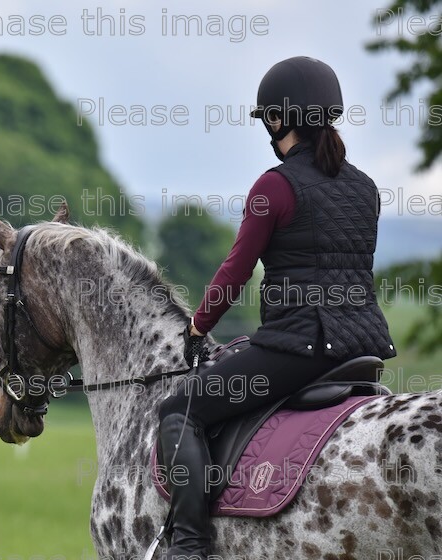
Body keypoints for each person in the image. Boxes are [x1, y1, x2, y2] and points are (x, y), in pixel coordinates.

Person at [154, 56, 397, 560]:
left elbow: (235, 273)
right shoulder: (366, 188)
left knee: (181, 409)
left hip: (300, 348)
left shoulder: (274, 186)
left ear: (276, 119)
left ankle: (190, 546)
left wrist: (198, 326)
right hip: (364, 349)